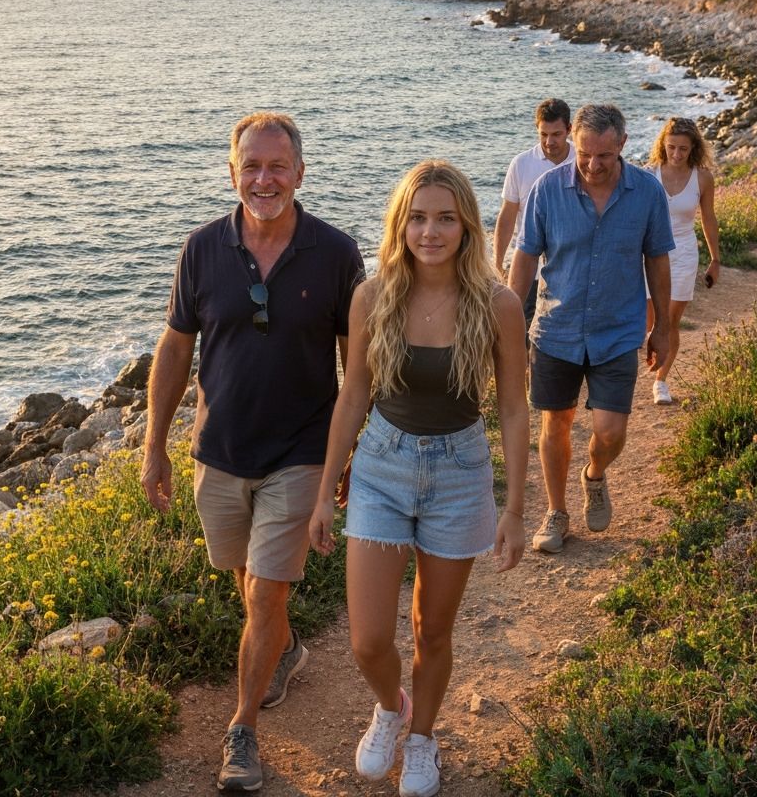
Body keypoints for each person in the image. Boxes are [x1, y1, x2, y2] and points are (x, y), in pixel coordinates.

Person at [141, 112, 364, 793]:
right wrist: (156, 446)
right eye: (252, 167)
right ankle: (288, 650)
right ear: (232, 172)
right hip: (220, 449)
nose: (264, 179)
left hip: (300, 451)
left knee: (266, 592)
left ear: (300, 172)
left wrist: (344, 452)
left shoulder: (335, 253)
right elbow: (177, 347)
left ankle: (242, 732)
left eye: (277, 166)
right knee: (244, 578)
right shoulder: (201, 249)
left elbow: (356, 360)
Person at [309, 160, 528, 797]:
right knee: (369, 639)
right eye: (418, 218)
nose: (430, 231)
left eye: (444, 218)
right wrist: (326, 491)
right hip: (381, 466)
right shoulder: (373, 295)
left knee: (433, 629)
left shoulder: (498, 303)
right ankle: (391, 707)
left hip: (460, 472)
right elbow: (352, 398)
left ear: (466, 225)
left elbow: (515, 407)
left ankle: (425, 738)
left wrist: (514, 509)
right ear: (400, 224)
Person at [508, 103, 674, 555]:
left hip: (617, 330)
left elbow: (657, 259)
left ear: (622, 145)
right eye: (584, 154)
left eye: (603, 156)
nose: (592, 165)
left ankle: (594, 475)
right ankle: (556, 512)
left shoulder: (647, 193)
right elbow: (524, 257)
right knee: (555, 422)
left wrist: (662, 326)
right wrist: (507, 320)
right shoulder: (546, 190)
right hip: (556, 328)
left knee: (610, 431)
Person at [644, 117, 720, 405]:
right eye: (672, 147)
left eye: (683, 149)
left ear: (693, 149)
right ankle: (653, 353)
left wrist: (715, 259)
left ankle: (660, 381)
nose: (676, 154)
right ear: (663, 145)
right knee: (652, 322)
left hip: (685, 252)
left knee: (671, 322)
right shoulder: (649, 175)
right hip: (651, 254)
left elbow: (709, 220)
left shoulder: (702, 178)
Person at [492, 98, 575, 330]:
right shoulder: (521, 164)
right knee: (520, 329)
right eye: (543, 134)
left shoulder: (582, 162)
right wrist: (498, 262)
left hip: (568, 266)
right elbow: (507, 216)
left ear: (569, 129)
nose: (549, 142)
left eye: (556, 134)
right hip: (527, 266)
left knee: (560, 331)